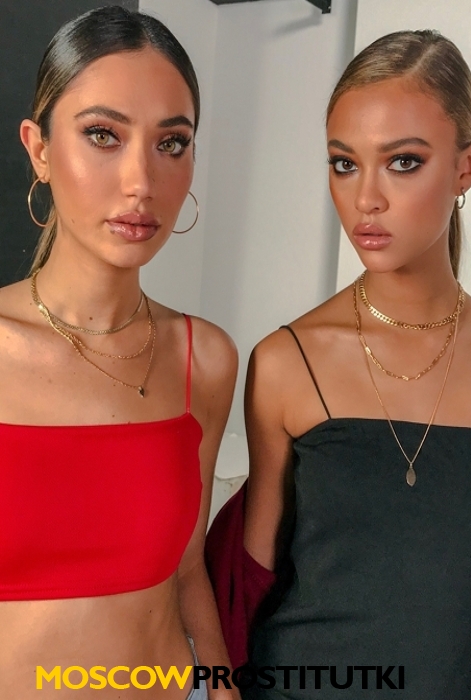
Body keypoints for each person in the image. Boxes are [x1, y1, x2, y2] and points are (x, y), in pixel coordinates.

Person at [241, 30, 471, 699]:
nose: (366, 199)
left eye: (403, 162)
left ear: (466, 167)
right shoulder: (287, 362)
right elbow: (248, 585)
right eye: (344, 163)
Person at [0, 6, 238, 699]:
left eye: (171, 143)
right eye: (103, 134)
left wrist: (222, 686)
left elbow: (187, 571)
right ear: (39, 149)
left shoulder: (203, 359)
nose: (141, 180)